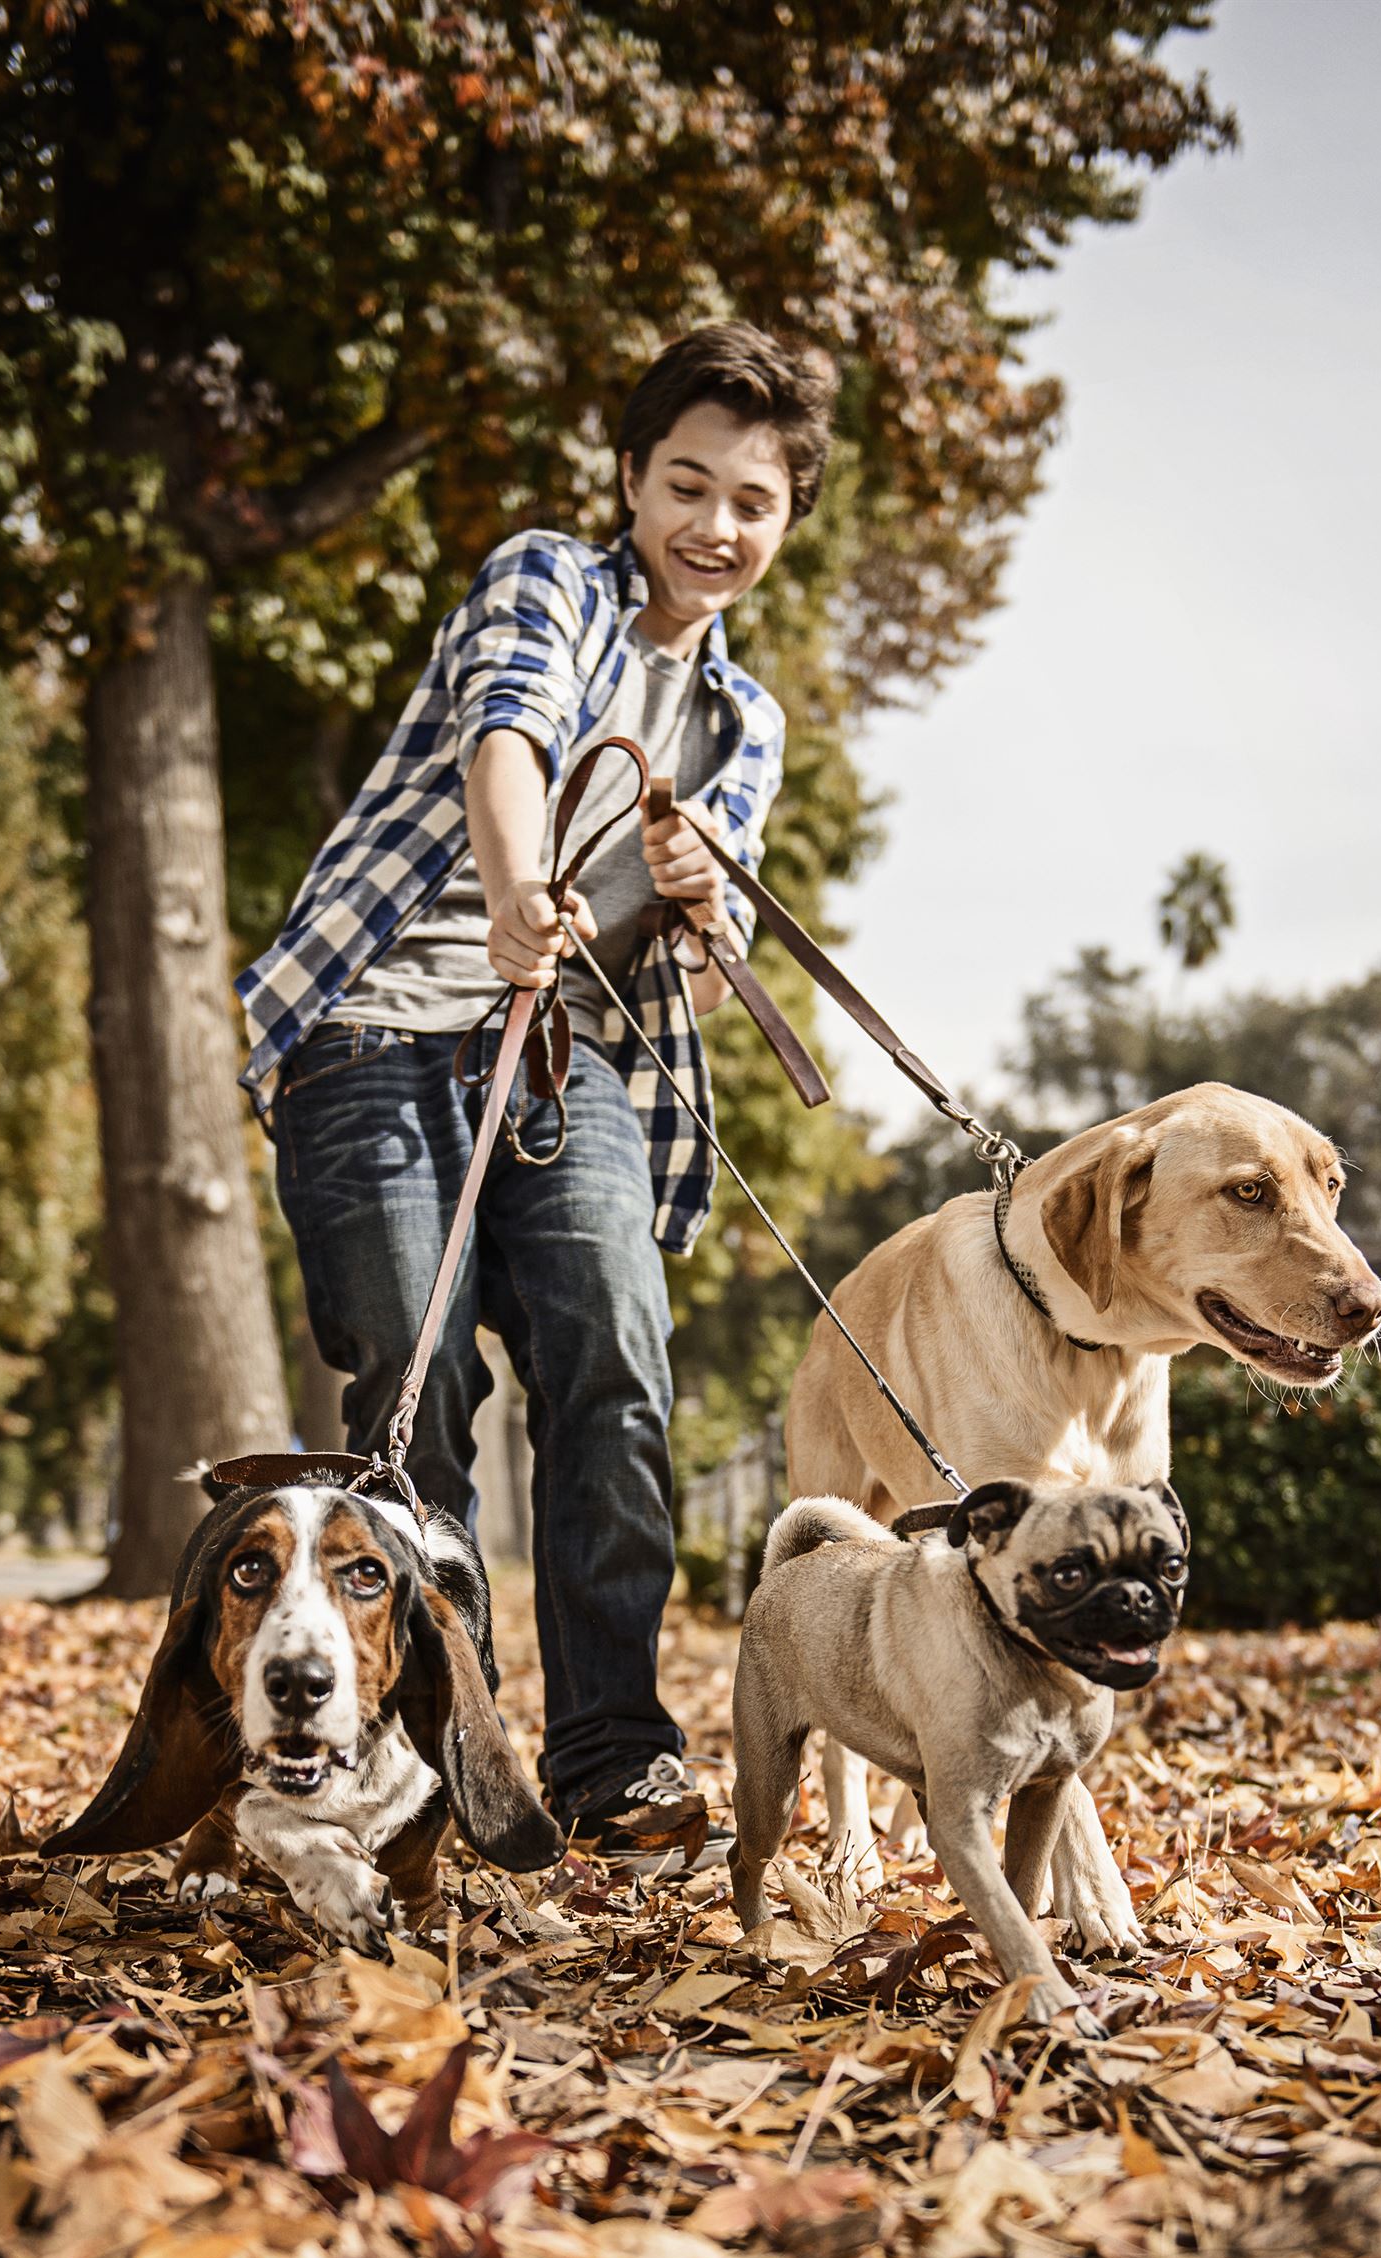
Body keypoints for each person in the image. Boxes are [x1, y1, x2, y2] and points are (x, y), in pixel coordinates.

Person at [237, 323, 834, 1866]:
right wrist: (518, 892)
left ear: (786, 521)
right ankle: (455, 1756)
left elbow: (701, 983)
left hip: (573, 1066)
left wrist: (709, 901)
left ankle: (611, 1757)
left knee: (617, 1372)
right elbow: (508, 732)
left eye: (753, 502)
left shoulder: (744, 722)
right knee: (416, 1399)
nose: (716, 525)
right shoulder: (546, 580)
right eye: (686, 483)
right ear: (630, 479)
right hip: (377, 1035)